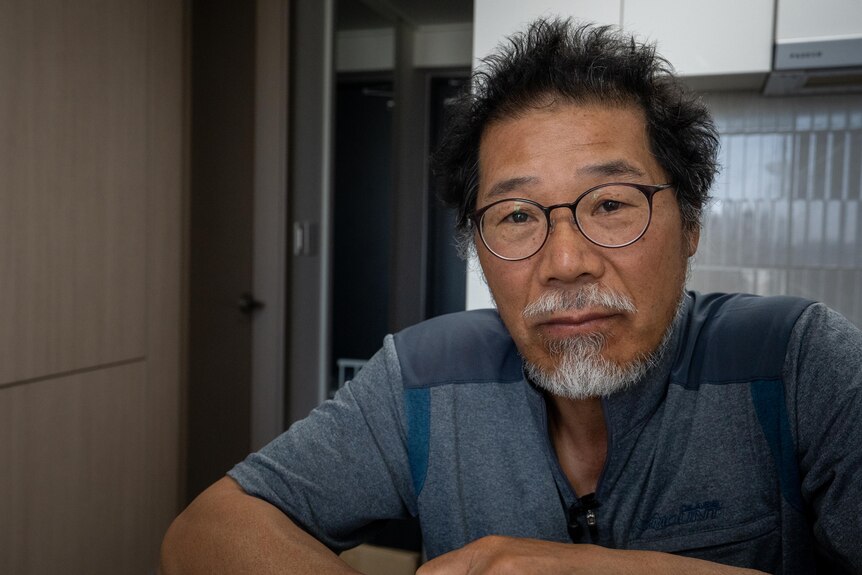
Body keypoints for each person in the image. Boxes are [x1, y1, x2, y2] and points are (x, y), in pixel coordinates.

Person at [160, 18, 862, 574]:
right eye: (519, 216)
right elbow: (207, 528)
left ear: (691, 227)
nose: (564, 261)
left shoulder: (797, 365)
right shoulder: (425, 377)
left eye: (612, 203)